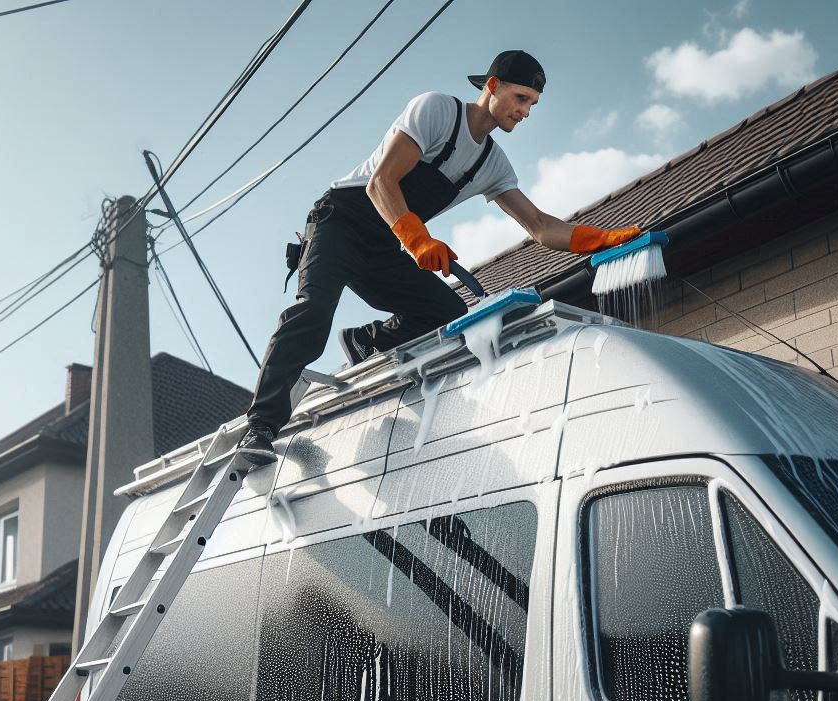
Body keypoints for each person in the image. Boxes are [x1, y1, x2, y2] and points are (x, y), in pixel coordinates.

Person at [237, 50, 640, 465]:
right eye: (521, 98)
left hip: (381, 245)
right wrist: (417, 240)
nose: (525, 111)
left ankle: (366, 341)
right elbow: (381, 183)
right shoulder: (435, 111)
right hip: (339, 222)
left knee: (444, 311)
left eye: (532, 104)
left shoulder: (491, 162)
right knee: (314, 313)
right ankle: (261, 426)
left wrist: (603, 239)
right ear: (493, 86)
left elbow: (538, 224)